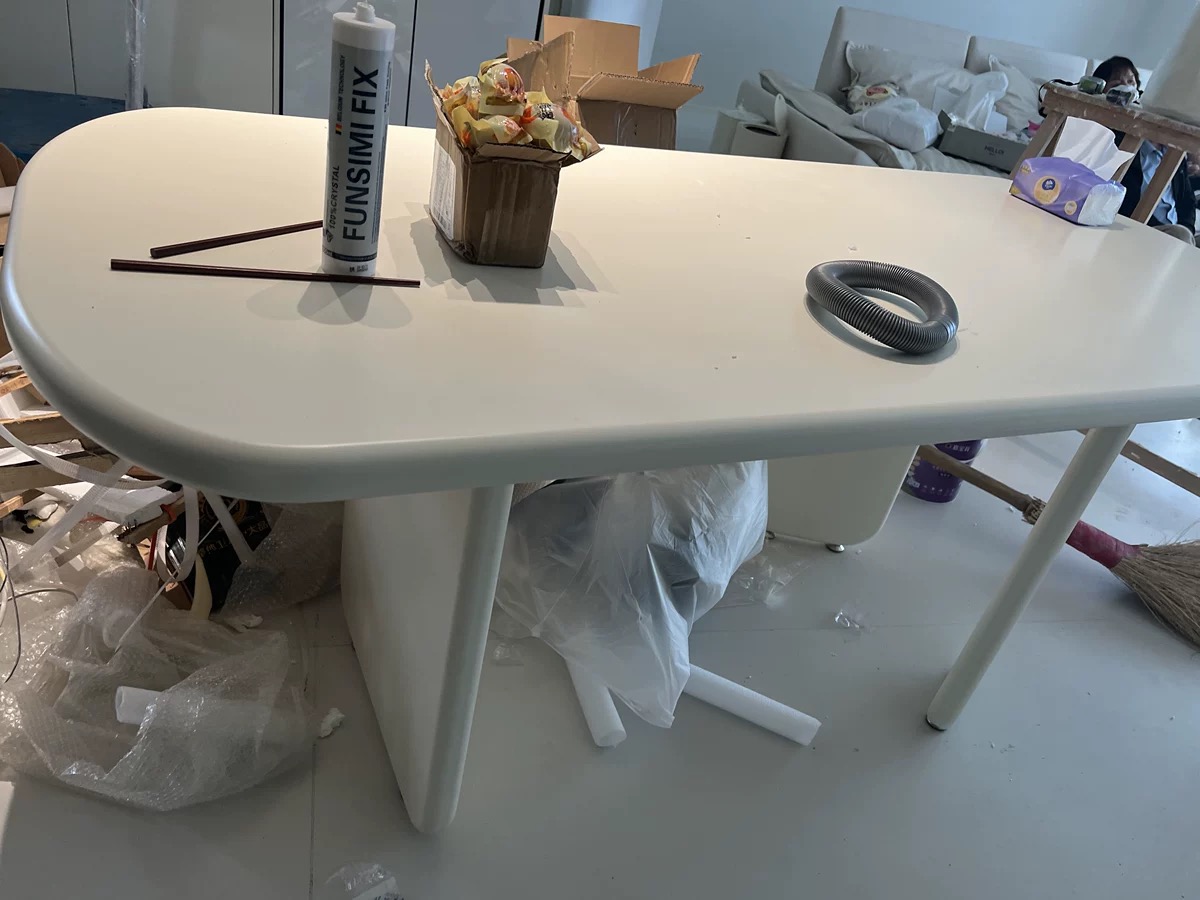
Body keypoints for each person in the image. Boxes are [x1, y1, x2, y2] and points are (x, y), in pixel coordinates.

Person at [1093, 56, 1197, 244]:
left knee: (1182, 234)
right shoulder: (1118, 142)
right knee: (1179, 235)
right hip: (1143, 230)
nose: (1127, 88)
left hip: (1179, 233)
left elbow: (1187, 201)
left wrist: (1187, 229)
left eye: (1131, 82)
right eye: (1117, 84)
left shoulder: (1173, 149)